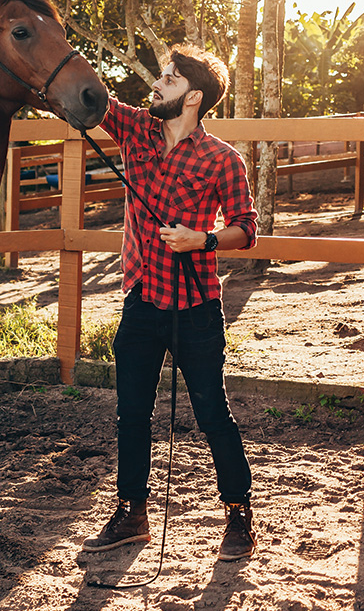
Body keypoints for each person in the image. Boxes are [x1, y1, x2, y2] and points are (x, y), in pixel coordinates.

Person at [82, 43, 259, 562]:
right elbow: (93, 99)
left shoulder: (223, 160)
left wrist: (201, 240)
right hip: (141, 300)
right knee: (131, 414)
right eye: (160, 76)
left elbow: (246, 230)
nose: (156, 84)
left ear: (194, 97)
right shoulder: (136, 129)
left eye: (169, 79)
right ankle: (132, 514)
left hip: (196, 306)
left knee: (211, 413)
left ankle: (238, 515)